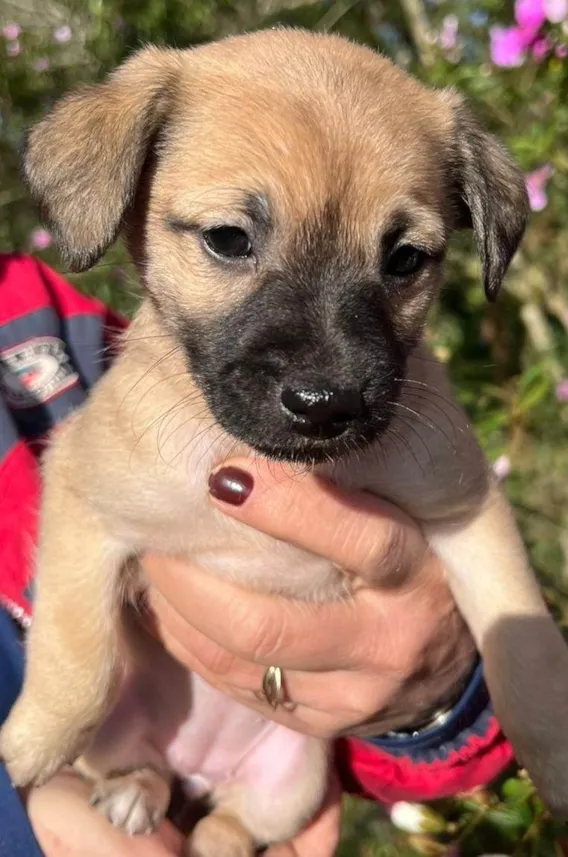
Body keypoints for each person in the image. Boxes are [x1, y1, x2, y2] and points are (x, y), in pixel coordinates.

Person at [0, 252, 513, 856]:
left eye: (401, 261)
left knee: (281, 788)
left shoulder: (44, 324)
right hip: (124, 745)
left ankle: (231, 822)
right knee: (104, 746)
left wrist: (433, 690)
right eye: (227, 241)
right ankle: (149, 781)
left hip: (266, 742)